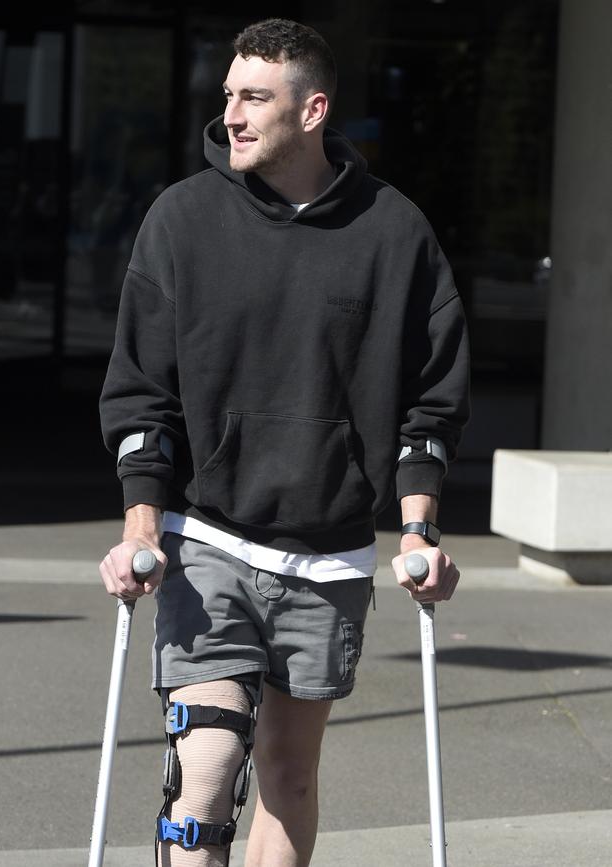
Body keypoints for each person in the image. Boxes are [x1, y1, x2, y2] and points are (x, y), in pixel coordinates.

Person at [98, 17, 470, 867]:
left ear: (312, 111)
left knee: (289, 778)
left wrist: (420, 528)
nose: (231, 113)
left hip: (329, 554)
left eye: (254, 97)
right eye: (228, 94)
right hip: (211, 537)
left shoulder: (394, 233)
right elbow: (140, 391)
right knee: (209, 763)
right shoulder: (181, 220)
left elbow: (431, 397)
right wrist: (142, 522)